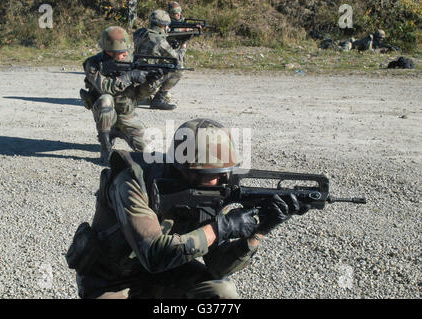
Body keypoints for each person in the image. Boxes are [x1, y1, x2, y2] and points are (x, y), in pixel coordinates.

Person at [65, 118, 310, 299]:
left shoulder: (211, 190)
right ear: (183, 170)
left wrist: (260, 230)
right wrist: (222, 228)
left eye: (226, 173)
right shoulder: (133, 181)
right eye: (212, 175)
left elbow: (217, 267)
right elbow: (153, 255)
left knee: (222, 294)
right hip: (111, 282)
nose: (222, 181)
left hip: (166, 276)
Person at [80, 26, 163, 164]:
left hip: (126, 115)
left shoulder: (132, 62)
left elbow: (141, 94)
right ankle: (105, 145)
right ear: (109, 51)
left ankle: (117, 131)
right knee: (105, 100)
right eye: (121, 51)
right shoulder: (93, 64)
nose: (125, 53)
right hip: (106, 113)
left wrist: (152, 82)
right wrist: (129, 77)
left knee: (147, 150)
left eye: (126, 50)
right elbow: (104, 87)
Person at [133, 9, 185, 110]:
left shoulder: (139, 33)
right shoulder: (160, 41)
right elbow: (177, 58)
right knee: (178, 68)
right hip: (146, 85)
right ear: (163, 25)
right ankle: (158, 100)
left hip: (134, 79)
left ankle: (146, 96)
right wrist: (183, 47)